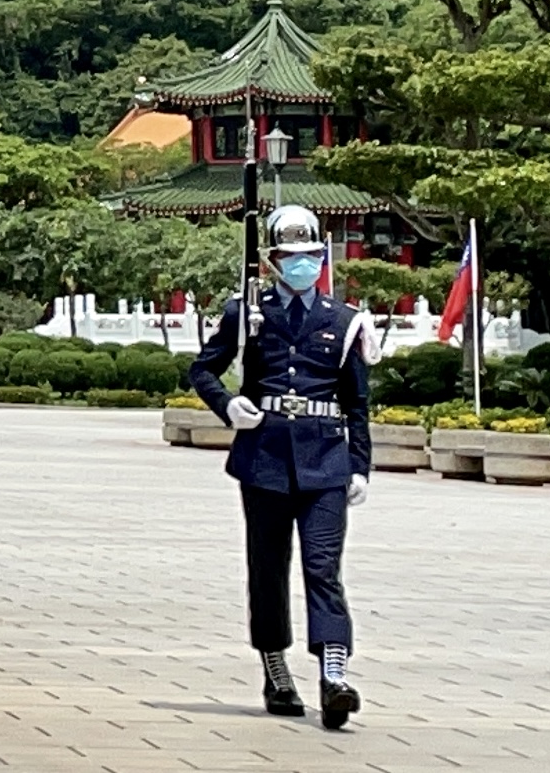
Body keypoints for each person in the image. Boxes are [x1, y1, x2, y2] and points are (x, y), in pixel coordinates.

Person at [187, 203, 376, 730]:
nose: (305, 264)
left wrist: (360, 465)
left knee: (323, 568)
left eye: (313, 255)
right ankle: (276, 670)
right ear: (272, 259)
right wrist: (227, 406)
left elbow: (357, 402)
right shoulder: (247, 314)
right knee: (268, 570)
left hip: (326, 461)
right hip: (265, 457)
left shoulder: (344, 321)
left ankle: (334, 675)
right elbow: (202, 370)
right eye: (293, 256)